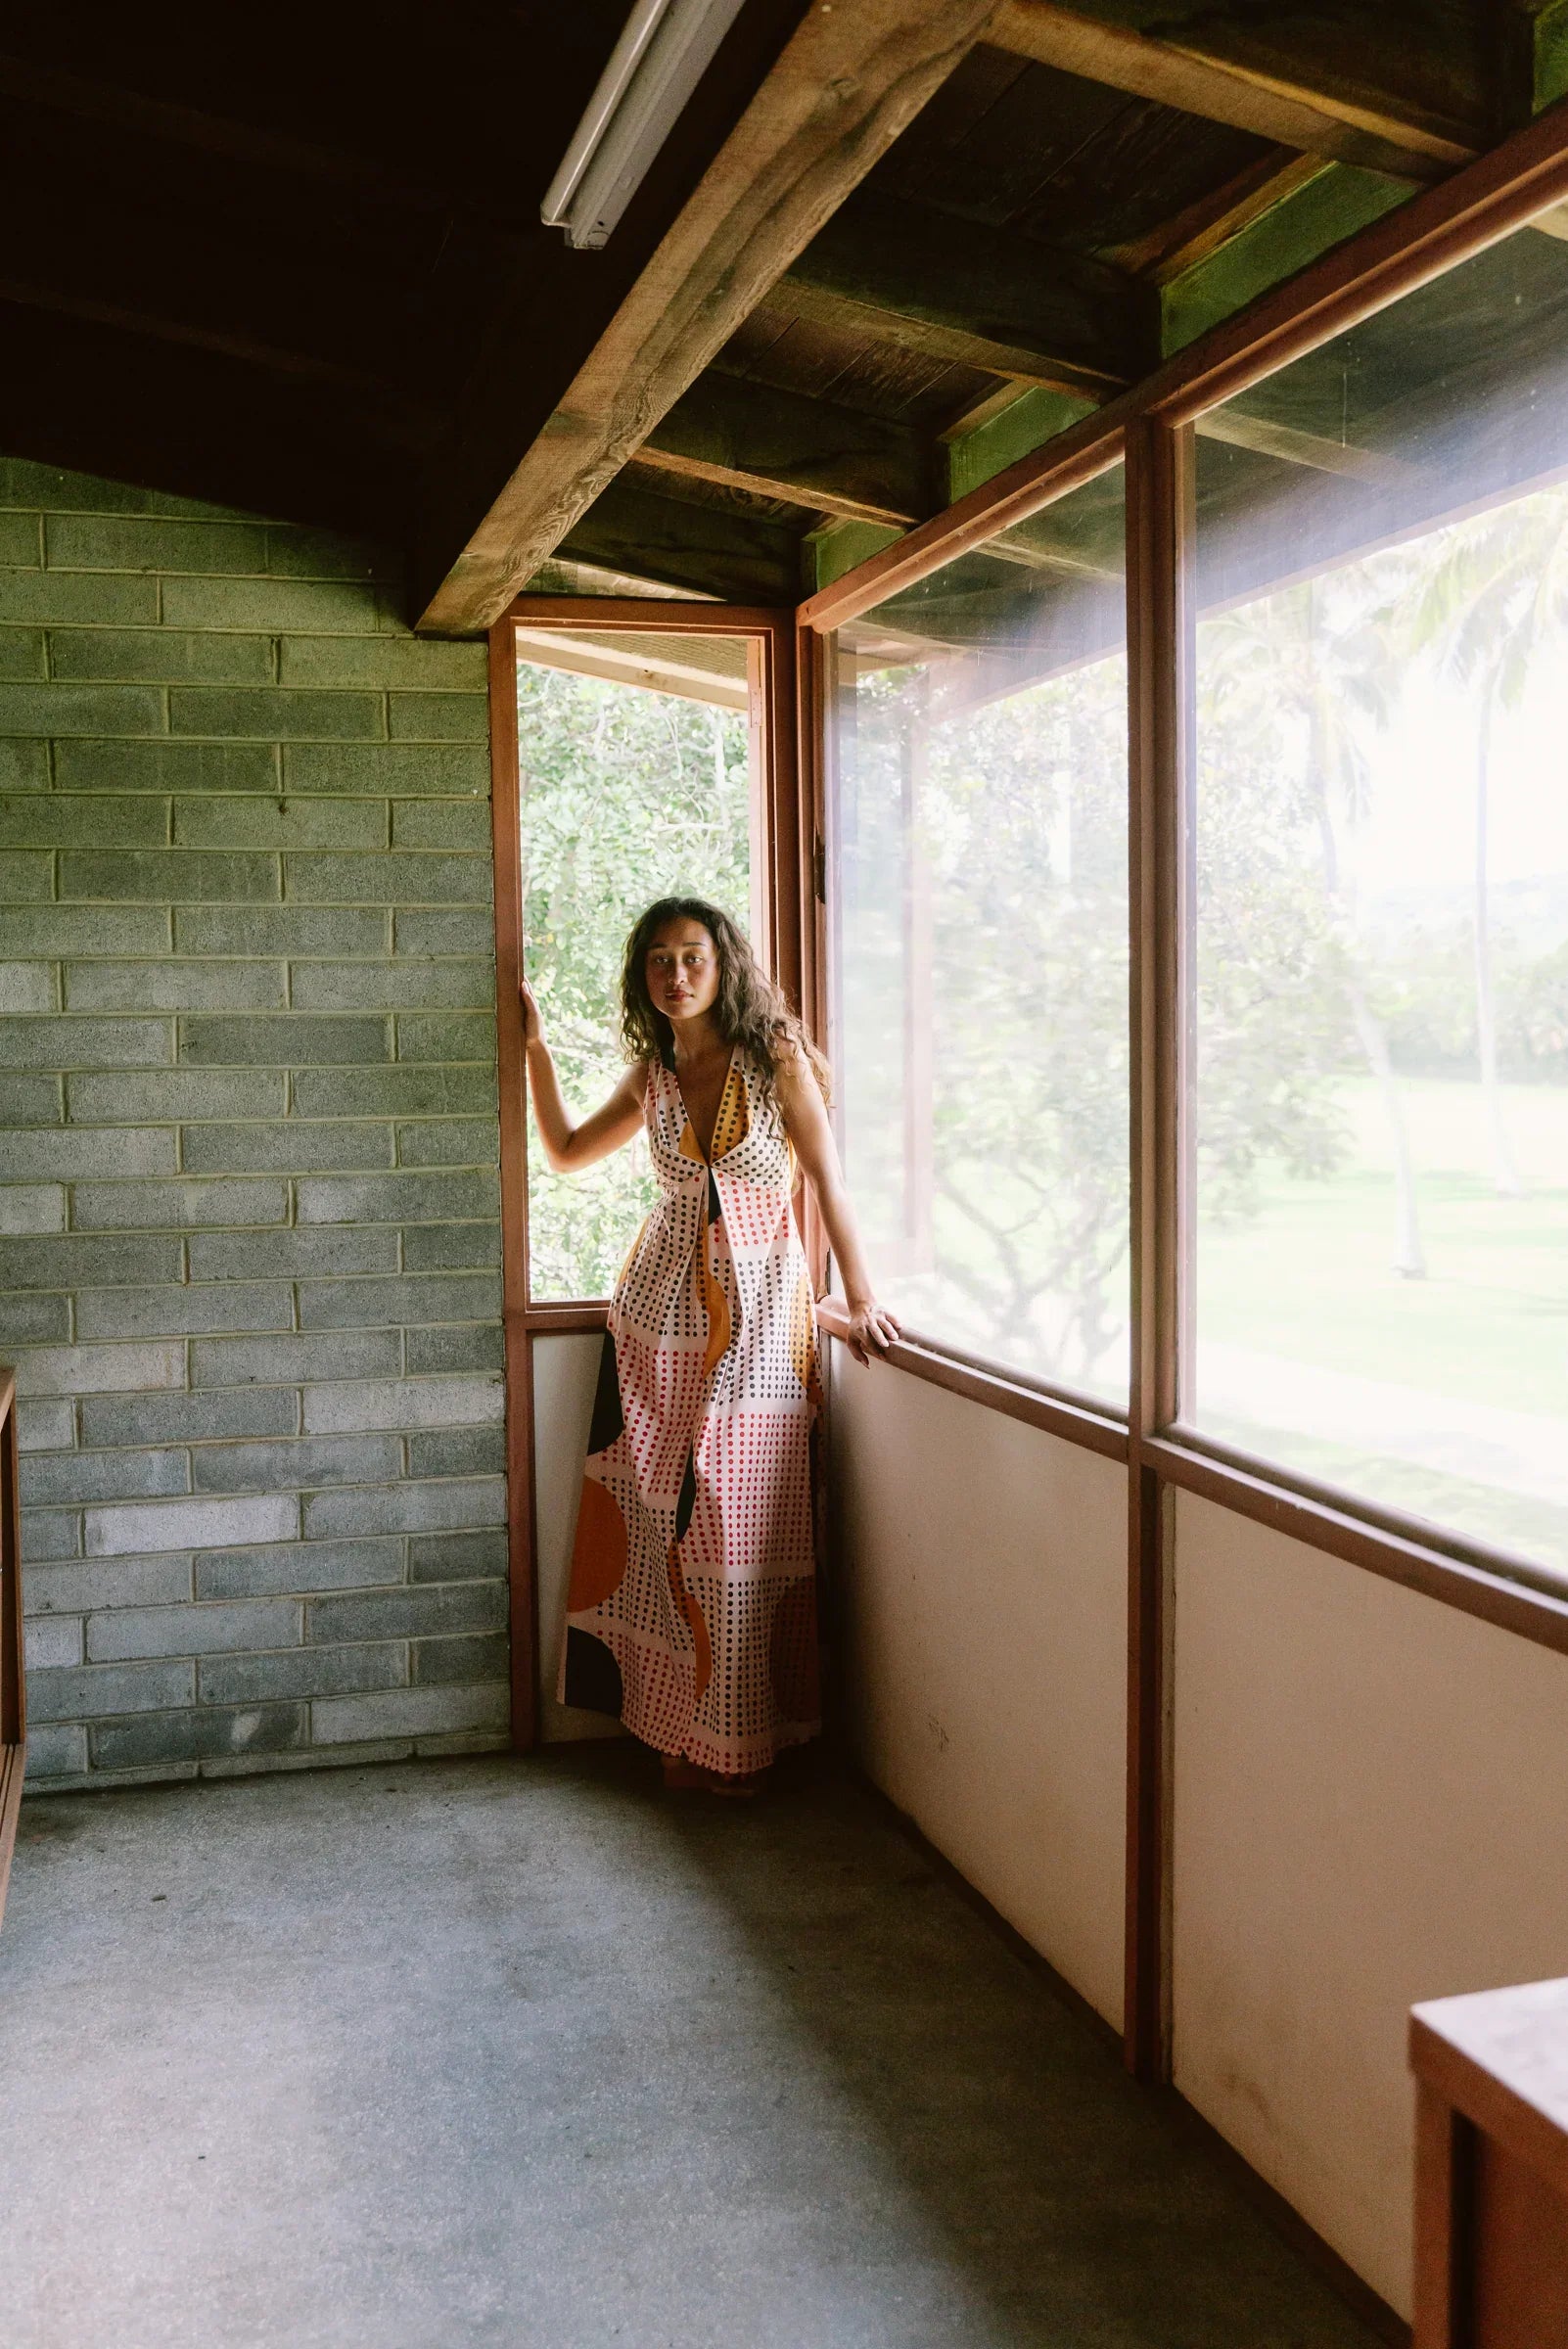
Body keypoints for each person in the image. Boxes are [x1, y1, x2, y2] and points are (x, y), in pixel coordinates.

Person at [521, 896, 899, 1797]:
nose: (676, 974)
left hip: (763, 1311)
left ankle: (739, 1740)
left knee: (740, 1519)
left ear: (724, 965)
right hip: (655, 1317)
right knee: (659, 1515)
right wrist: (534, 1049)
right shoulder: (653, 1076)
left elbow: (830, 1182)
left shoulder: (774, 1059)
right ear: (641, 977)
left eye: (693, 956)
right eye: (659, 959)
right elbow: (566, 1152)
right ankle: (678, 1730)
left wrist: (861, 1296)